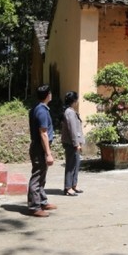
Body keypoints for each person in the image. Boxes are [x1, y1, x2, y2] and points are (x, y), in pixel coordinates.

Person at [28, 85, 57, 217]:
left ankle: (42, 201)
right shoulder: (42, 111)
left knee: (41, 176)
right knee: (37, 176)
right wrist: (48, 154)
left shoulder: (37, 108)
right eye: (50, 93)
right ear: (48, 95)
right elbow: (43, 133)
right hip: (40, 147)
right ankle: (35, 206)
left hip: (39, 147)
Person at [61, 91, 85, 196]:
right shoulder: (69, 112)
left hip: (74, 142)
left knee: (76, 164)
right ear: (74, 101)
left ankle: (74, 184)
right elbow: (72, 130)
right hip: (71, 143)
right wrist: (76, 144)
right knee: (71, 165)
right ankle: (68, 187)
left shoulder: (71, 111)